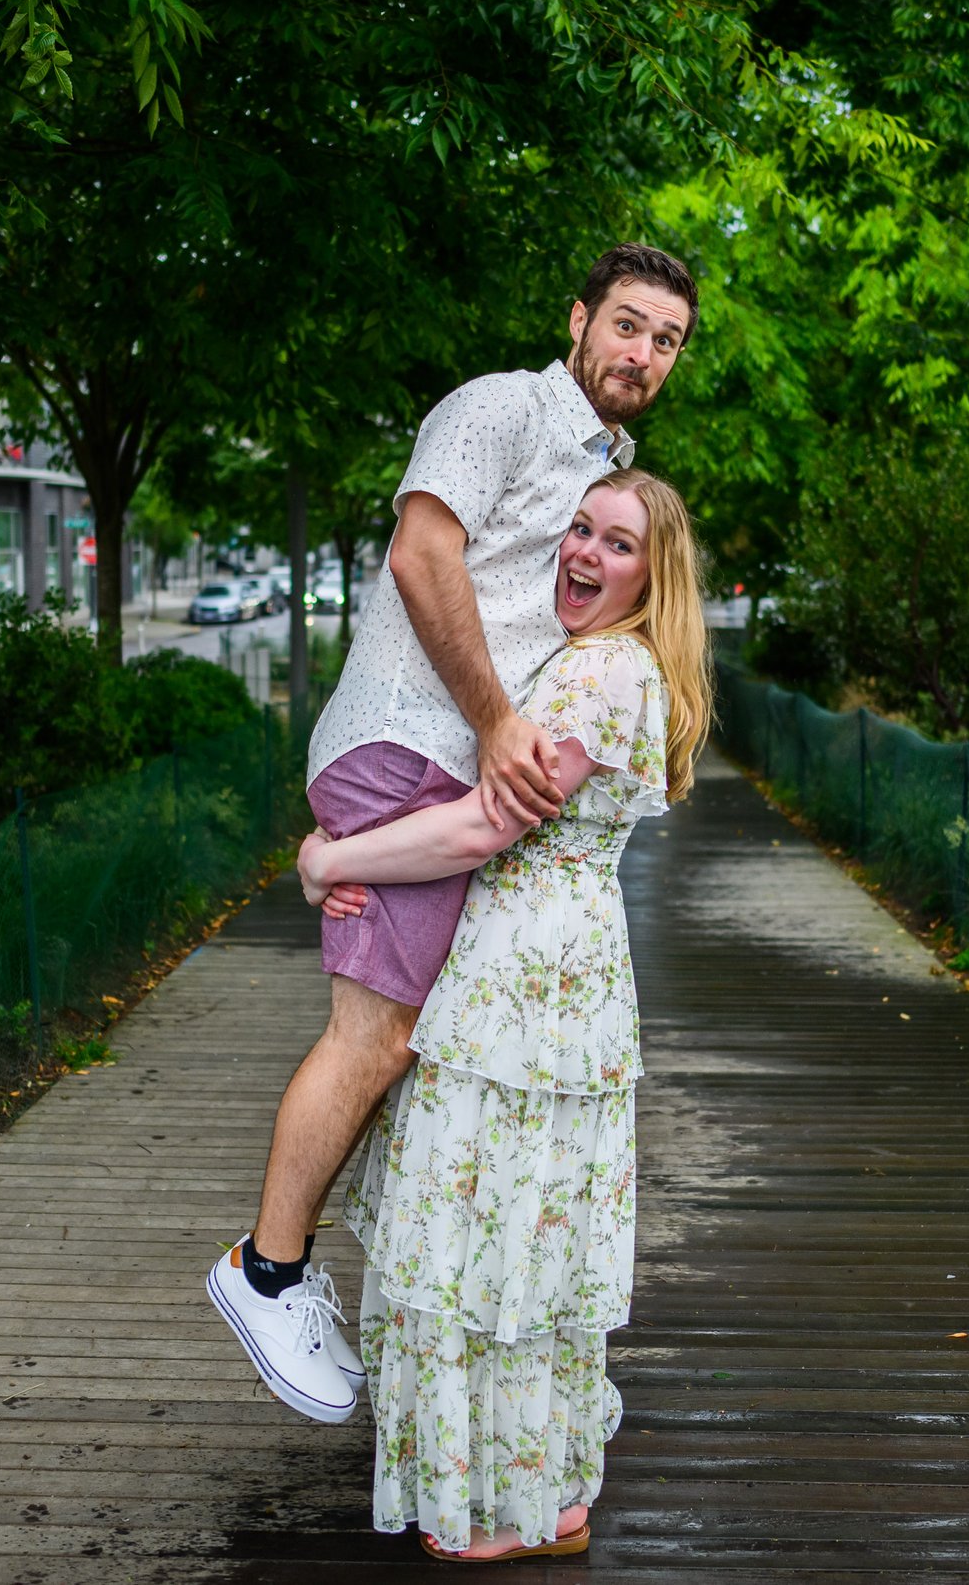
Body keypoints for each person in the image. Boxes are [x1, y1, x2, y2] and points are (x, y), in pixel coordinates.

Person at [205, 243, 698, 1428]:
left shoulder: (600, 466)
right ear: (579, 319)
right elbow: (421, 555)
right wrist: (494, 722)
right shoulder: (499, 408)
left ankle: (486, 1339)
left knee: (424, 1042)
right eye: (626, 324)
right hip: (412, 739)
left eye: (665, 340)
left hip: (440, 759)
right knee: (376, 1037)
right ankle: (266, 1269)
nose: (641, 353)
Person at [299, 470, 709, 1560]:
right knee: (519, 1225)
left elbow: (481, 827)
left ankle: (508, 1506)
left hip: (527, 986)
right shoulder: (599, 665)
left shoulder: (602, 676)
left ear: (651, 576)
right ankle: (541, 1489)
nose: (584, 551)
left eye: (617, 544)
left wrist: (331, 855)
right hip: (549, 975)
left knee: (488, 1227)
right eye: (580, 527)